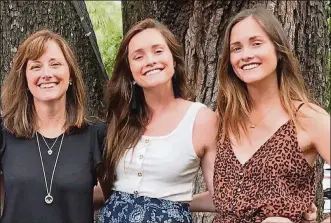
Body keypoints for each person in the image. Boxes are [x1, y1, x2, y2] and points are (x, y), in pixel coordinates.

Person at [213, 7, 330, 223]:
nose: (246, 55)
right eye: (236, 48)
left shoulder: (307, 118)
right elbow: (230, 198)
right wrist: (177, 201)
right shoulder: (226, 119)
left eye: (256, 43)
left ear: (278, 49)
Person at [97, 18, 217, 222]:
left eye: (158, 51)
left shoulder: (200, 119)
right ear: (131, 73)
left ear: (174, 59)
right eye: (138, 56)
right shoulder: (122, 120)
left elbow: (222, 197)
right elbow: (106, 190)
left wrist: (176, 204)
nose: (150, 60)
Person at [0, 29, 105, 223]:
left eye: (55, 64)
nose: (46, 74)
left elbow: (115, 195)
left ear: (71, 75)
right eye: (36, 67)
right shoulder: (5, 133)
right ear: (25, 78)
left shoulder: (96, 135)